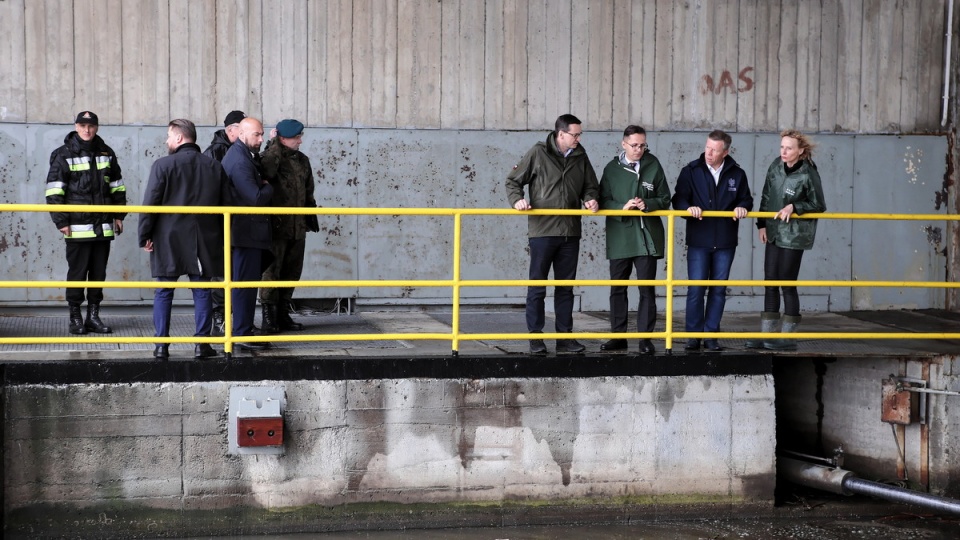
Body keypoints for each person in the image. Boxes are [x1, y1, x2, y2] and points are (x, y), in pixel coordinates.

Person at [506, 114, 600, 355]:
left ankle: (564, 338)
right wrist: (517, 200)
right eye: (574, 134)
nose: (578, 138)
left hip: (570, 232)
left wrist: (591, 199)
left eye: (580, 134)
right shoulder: (538, 153)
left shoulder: (580, 156)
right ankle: (536, 337)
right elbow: (513, 181)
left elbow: (590, 185)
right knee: (537, 286)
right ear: (560, 134)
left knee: (565, 287)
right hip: (543, 231)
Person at [138, 119, 232, 359]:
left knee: (164, 291)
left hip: (168, 238)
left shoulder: (163, 165)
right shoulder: (214, 166)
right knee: (202, 291)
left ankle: (161, 346)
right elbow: (227, 205)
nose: (167, 141)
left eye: (169, 136)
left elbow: (150, 203)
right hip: (204, 239)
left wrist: (145, 235)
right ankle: (202, 345)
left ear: (179, 138)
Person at [45, 111, 127, 335]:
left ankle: (93, 317)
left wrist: (119, 215)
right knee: (78, 273)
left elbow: (117, 187)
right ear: (76, 126)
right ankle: (75, 317)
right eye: (82, 125)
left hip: (102, 227)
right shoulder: (63, 155)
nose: (86, 130)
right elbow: (54, 192)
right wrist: (62, 221)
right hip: (77, 227)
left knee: (98, 274)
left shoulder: (106, 153)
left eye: (90, 126)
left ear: (97, 127)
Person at [672, 130, 753, 352]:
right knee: (696, 289)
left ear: (725, 152)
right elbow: (678, 198)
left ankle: (711, 335)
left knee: (718, 290)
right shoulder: (691, 171)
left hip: (726, 242)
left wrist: (742, 207)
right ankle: (693, 336)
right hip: (699, 240)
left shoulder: (737, 174)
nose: (708, 153)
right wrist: (687, 208)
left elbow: (746, 198)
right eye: (707, 147)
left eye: (714, 150)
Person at [746, 129, 827, 351]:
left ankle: (787, 338)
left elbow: (819, 204)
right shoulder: (775, 166)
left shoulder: (808, 173)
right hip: (773, 230)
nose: (783, 151)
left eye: (789, 148)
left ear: (800, 151)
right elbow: (765, 195)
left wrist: (795, 206)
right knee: (770, 281)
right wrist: (761, 224)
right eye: (782, 147)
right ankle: (767, 336)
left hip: (794, 235)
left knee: (787, 283)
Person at [598, 126, 671, 355]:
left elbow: (665, 198)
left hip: (647, 238)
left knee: (646, 290)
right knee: (618, 289)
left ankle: (644, 339)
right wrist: (623, 207)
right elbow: (602, 201)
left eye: (642, 145)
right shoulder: (611, 169)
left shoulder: (653, 165)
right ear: (623, 144)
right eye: (634, 145)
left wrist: (647, 205)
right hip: (620, 236)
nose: (639, 149)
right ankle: (618, 337)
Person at [258, 119, 320, 334]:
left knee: (292, 271)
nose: (300, 141)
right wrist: (273, 144)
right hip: (276, 227)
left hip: (297, 226)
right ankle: (269, 317)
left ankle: (283, 314)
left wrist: (310, 218)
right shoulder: (271, 157)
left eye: (300, 137)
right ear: (282, 138)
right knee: (271, 273)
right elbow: (265, 172)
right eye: (296, 137)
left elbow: (308, 191)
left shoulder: (303, 161)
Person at [222, 117, 274, 350]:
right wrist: (268, 186)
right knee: (244, 284)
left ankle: (244, 328)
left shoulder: (242, 156)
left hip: (246, 233)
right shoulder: (241, 161)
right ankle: (242, 332)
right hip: (246, 234)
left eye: (262, 134)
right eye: (256, 135)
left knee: (246, 284)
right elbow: (254, 199)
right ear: (241, 134)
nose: (261, 139)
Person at [203, 110, 246, 335]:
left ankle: (235, 320)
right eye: (243, 127)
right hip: (221, 226)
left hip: (237, 224)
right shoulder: (215, 153)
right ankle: (220, 319)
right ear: (231, 130)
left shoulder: (242, 150)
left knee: (237, 272)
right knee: (221, 272)